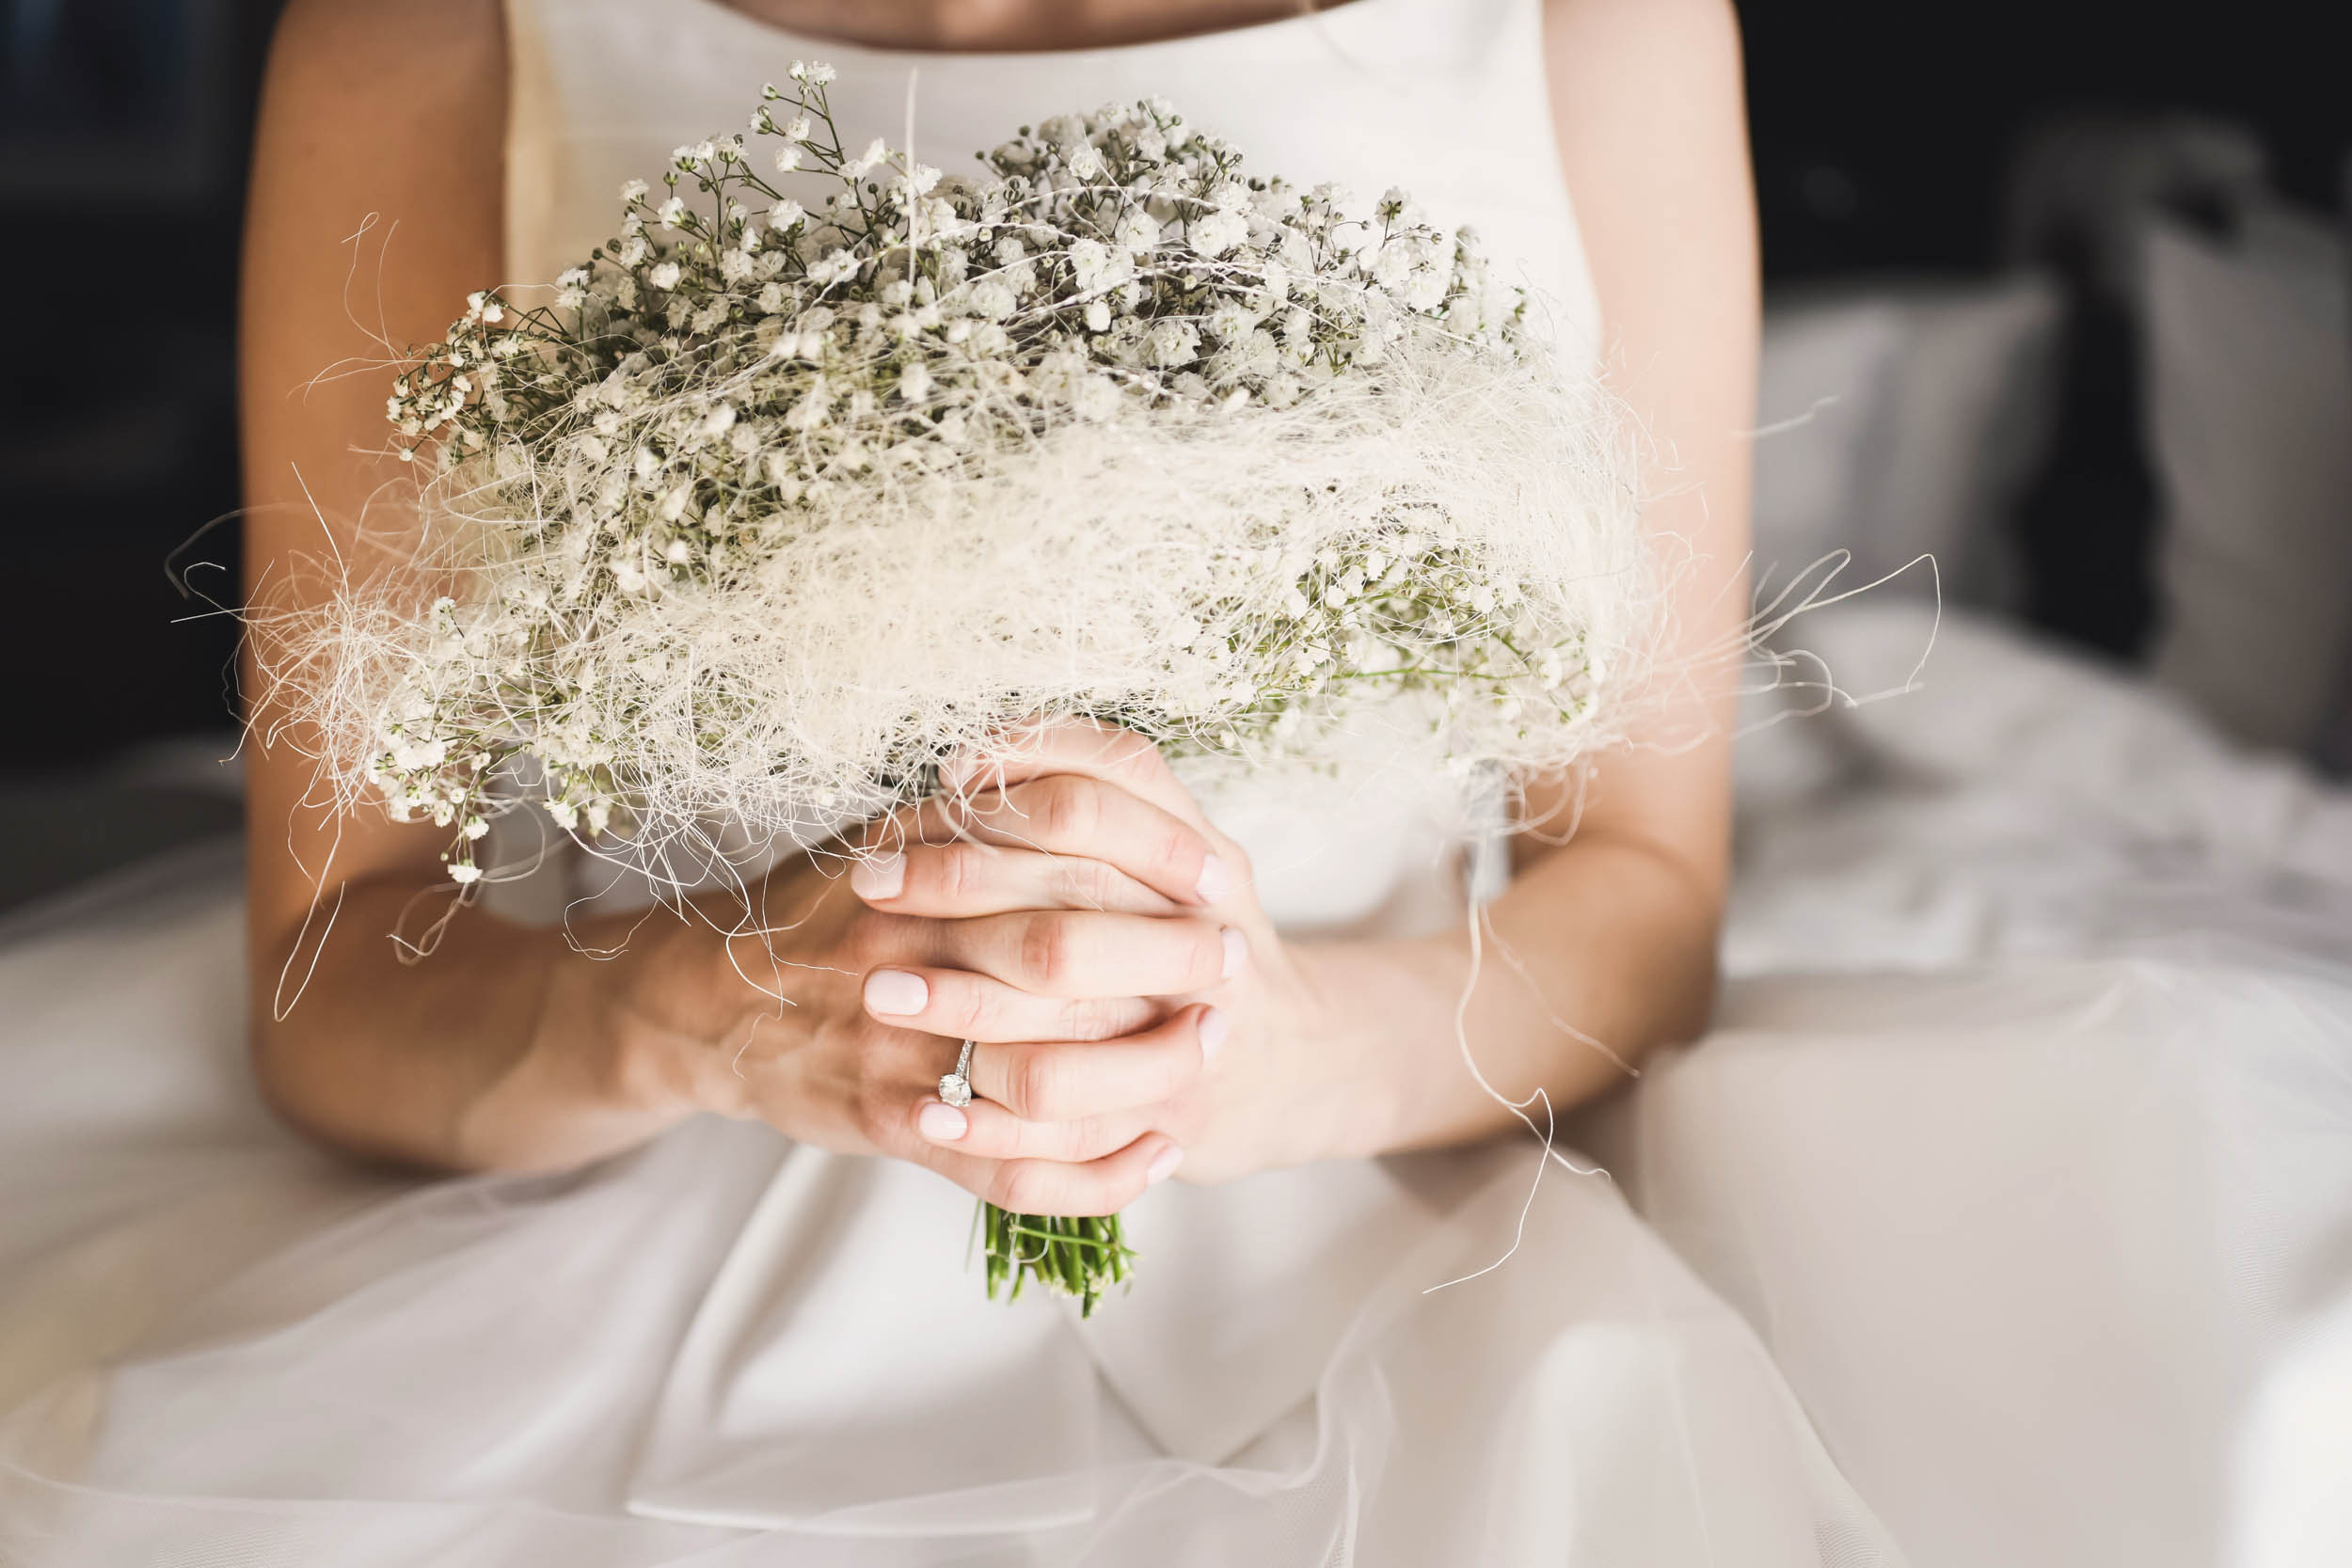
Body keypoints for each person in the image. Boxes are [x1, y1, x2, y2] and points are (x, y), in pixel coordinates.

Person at [0, 1, 1909, 1560]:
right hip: (626, 1210)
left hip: (1372, 1203)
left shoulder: (1605, 20)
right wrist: (695, 1009)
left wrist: (1252, 1049)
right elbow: (336, 969)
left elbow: (1640, 901)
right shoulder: (420, 31)